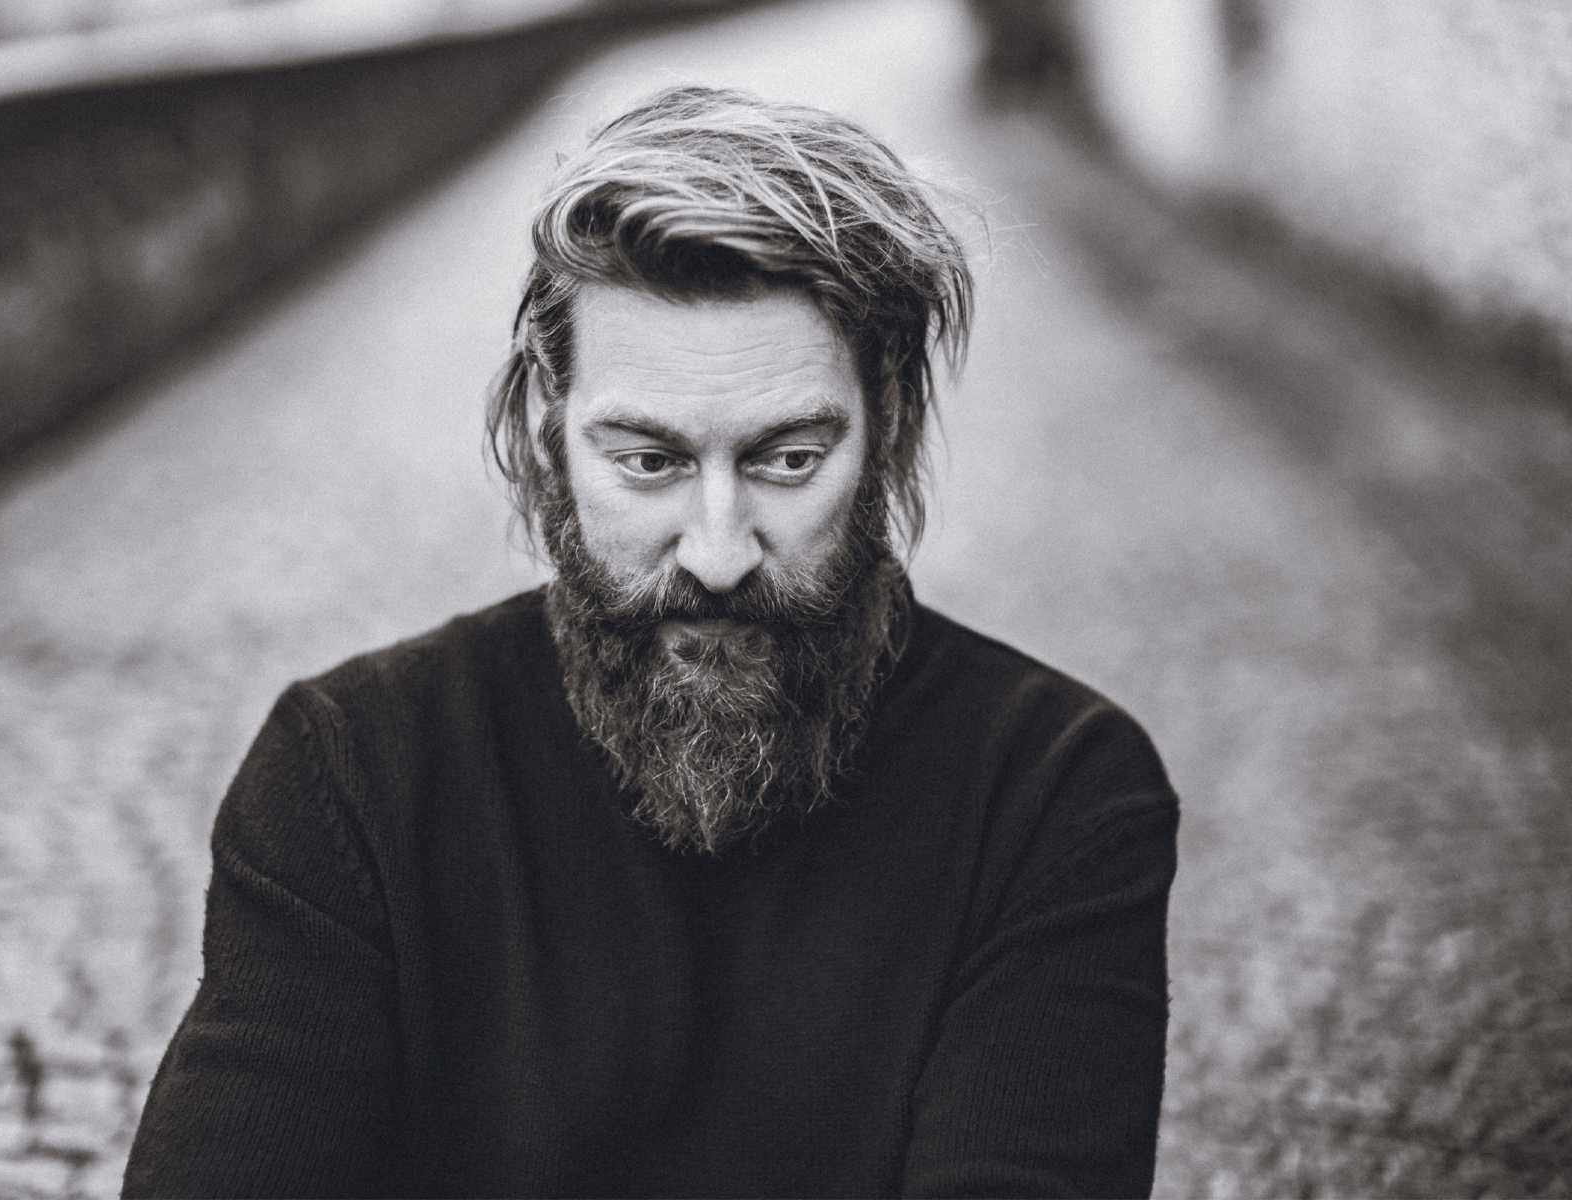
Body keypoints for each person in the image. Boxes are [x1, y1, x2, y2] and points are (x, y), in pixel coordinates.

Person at [122, 85, 1178, 1199]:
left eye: (787, 460)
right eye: (649, 462)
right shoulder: (354, 775)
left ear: (892, 426)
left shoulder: (1054, 792)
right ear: (549, 433)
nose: (717, 554)